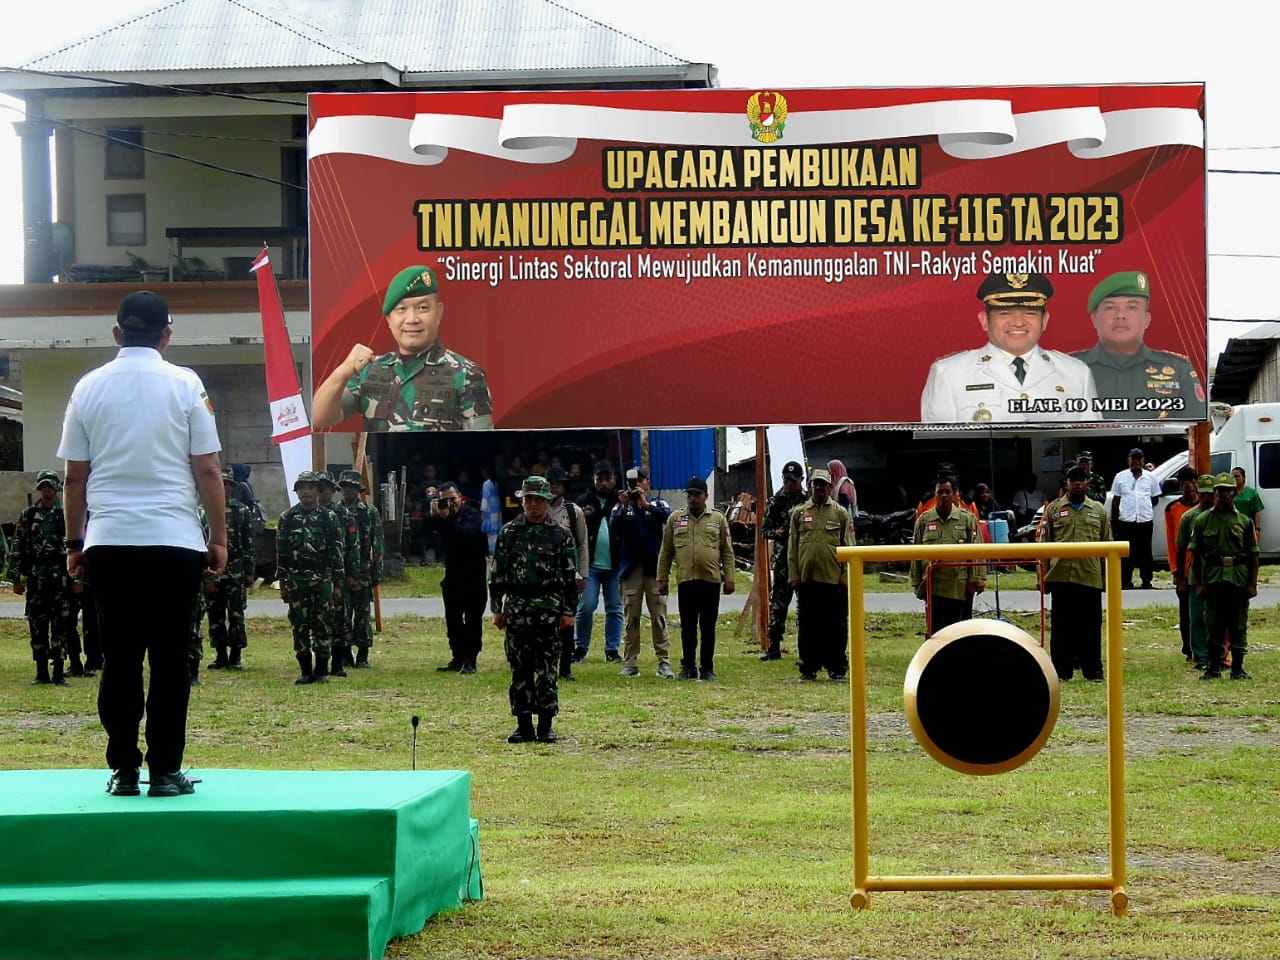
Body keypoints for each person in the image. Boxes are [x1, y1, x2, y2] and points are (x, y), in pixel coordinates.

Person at [57, 290, 227, 798]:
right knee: (172, 660)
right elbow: (208, 468)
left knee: (120, 659)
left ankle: (124, 771)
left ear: (117, 333)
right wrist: (218, 538)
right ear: (166, 335)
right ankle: (166, 772)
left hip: (110, 542)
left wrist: (74, 542)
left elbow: (74, 478)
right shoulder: (186, 384)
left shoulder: (87, 387)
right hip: (174, 541)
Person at [312, 264, 493, 432]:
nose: (412, 319)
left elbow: (483, 445)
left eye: (423, 308)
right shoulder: (369, 371)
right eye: (401, 309)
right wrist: (344, 371)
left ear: (438, 313)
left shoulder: (466, 374)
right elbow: (320, 418)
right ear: (389, 320)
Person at [920, 271, 1100, 423]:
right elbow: (938, 445)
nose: (1018, 322)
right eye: (1004, 313)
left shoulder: (1076, 373)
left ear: (1044, 321)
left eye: (1030, 313)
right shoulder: (949, 373)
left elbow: (1089, 441)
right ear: (984, 321)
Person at [490, 476, 578, 744]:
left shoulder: (560, 534)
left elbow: (570, 577)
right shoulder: (509, 533)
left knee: (547, 671)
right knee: (520, 670)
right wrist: (497, 609)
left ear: (547, 502)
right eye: (528, 499)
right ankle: (523, 724)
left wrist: (568, 612)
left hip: (549, 611)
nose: (533, 505)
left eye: (538, 500)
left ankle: (546, 725)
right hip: (518, 610)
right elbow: (497, 573)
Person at [1072, 271, 1206, 420]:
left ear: (1147, 319)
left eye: (1132, 307)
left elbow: (1197, 427)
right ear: (1094, 319)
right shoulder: (1069, 369)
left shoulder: (1179, 369)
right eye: (1110, 307)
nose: (1120, 315)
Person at [657, 475, 735, 681]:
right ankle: (688, 666)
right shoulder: (675, 519)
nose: (693, 498)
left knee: (708, 627)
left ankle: (707, 667)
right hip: (686, 580)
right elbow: (666, 552)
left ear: (706, 496)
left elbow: (727, 551)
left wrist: (730, 578)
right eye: (690, 495)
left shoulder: (718, 519)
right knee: (688, 627)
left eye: (697, 494)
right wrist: (662, 578)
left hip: (710, 581)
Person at [1040, 464, 1112, 682]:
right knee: (1061, 627)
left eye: (1082, 479)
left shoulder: (1098, 510)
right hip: (1061, 576)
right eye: (1073, 480)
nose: (1078, 484)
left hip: (1089, 576)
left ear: (1087, 483)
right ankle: (1062, 671)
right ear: (1067, 483)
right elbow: (1044, 545)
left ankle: (1093, 670)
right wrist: (1042, 577)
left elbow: (1107, 546)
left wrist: (1107, 579)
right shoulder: (1053, 509)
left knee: (1091, 626)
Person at [1188, 474, 1259, 680]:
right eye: (1219, 491)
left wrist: (1252, 584)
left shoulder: (1244, 522)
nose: (1223, 494)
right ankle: (1213, 668)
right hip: (1213, 579)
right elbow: (1196, 555)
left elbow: (1253, 555)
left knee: (1238, 624)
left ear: (1234, 493)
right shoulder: (1202, 521)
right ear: (1214, 493)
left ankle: (1237, 668)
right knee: (1213, 624)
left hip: (1238, 579)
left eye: (1227, 490)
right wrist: (1199, 583)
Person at [277, 471, 344, 686]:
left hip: (322, 580)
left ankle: (322, 670)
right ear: (296, 492)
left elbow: (336, 551)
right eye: (302, 488)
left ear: (318, 491)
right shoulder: (287, 518)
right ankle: (305, 671)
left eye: (311, 487)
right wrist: (283, 583)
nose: (306, 492)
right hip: (296, 581)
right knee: (299, 626)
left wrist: (337, 584)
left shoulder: (328, 517)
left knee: (323, 624)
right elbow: (282, 552)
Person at [788, 467, 854, 681]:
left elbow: (849, 546)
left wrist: (845, 577)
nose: (819, 488)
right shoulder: (799, 513)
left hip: (833, 580)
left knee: (836, 625)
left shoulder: (840, 513)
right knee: (808, 626)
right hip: (807, 580)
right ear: (810, 486)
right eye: (816, 484)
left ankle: (836, 667)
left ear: (829, 487)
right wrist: (794, 575)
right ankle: (808, 667)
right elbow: (792, 548)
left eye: (823, 485)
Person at [8, 470, 73, 686]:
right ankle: (41, 671)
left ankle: (58, 672)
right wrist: (16, 579)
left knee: (60, 626)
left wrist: (77, 580)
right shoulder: (28, 515)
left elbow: (75, 547)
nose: (47, 491)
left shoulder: (65, 515)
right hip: (36, 580)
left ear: (56, 489)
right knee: (37, 626)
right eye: (43, 487)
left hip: (60, 580)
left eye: (50, 487)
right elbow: (17, 546)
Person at [611, 466, 674, 678]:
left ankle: (664, 662)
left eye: (640, 480)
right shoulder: (621, 507)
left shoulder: (658, 503)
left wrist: (645, 505)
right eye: (633, 482)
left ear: (647, 482)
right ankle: (630, 662)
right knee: (631, 617)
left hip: (653, 569)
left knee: (659, 616)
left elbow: (668, 519)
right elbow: (614, 529)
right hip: (631, 570)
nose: (637, 485)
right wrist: (624, 506)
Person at [910, 476, 986, 635]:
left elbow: (978, 551)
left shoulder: (967, 519)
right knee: (936, 636)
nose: (944, 495)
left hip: (960, 588)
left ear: (954, 494)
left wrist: (977, 580)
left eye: (947, 492)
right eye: (940, 492)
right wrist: (917, 584)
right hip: (934, 588)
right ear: (935, 495)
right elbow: (915, 554)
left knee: (961, 636)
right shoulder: (924, 520)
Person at [432, 481, 490, 674]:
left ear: (460, 497)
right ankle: (457, 657)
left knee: (473, 621)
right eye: (444, 500)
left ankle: (470, 660)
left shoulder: (472, 515)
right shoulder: (443, 518)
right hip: (452, 577)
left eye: (452, 499)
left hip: (473, 577)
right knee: (453, 621)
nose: (449, 504)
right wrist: (435, 517)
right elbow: (432, 537)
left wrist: (447, 519)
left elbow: (467, 536)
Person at [573, 461, 625, 663]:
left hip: (615, 565)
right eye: (599, 479)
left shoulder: (621, 500)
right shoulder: (582, 501)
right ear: (593, 479)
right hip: (590, 566)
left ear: (614, 479)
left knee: (615, 608)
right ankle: (580, 647)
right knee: (586, 606)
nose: (603, 483)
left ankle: (612, 649)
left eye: (607, 478)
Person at [206, 467, 256, 671]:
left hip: (236, 569)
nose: (224, 489)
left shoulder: (241, 511)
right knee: (215, 613)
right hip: (213, 570)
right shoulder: (205, 510)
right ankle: (220, 655)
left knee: (236, 613)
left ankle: (236, 655)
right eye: (220, 484)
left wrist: (249, 572)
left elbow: (249, 543)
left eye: (227, 485)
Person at [761, 460, 807, 661]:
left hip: (803, 559)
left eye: (793, 481)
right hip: (782, 562)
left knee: (805, 606)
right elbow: (764, 530)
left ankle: (805, 650)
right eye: (786, 480)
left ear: (801, 480)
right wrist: (777, 532)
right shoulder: (776, 501)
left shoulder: (808, 501)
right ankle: (773, 647)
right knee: (778, 605)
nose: (789, 484)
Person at [339, 470, 384, 668]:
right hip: (341, 571)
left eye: (353, 487)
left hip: (364, 571)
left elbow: (378, 543)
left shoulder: (369, 511)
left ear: (358, 490)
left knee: (363, 615)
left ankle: (363, 654)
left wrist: (377, 573)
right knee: (342, 614)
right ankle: (345, 652)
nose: (349, 491)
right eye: (345, 487)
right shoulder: (334, 511)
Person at [546, 468, 588, 681]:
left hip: (567, 575)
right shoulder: (537, 508)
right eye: (551, 484)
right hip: (543, 576)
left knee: (567, 622)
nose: (554, 488)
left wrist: (583, 573)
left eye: (558, 484)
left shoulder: (574, 511)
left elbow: (582, 544)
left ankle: (565, 668)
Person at [316, 472, 357, 677]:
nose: (323, 493)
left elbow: (352, 547)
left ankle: (338, 663)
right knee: (318, 620)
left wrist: (351, 574)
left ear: (333, 491)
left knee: (340, 619)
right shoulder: (308, 513)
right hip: (316, 576)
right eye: (319, 488)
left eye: (326, 489)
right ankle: (321, 661)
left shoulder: (343, 514)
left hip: (339, 575)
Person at [1175, 474, 1216, 670]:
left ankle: (1218, 654)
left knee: (1218, 617)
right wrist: (1180, 577)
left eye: (1210, 494)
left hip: (1219, 573)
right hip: (1196, 574)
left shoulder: (1223, 515)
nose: (1207, 498)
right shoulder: (1189, 517)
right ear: (1198, 493)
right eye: (1204, 494)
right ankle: (1200, 656)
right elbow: (1181, 549)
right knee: (1197, 617)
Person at [1163, 467, 1200, 663]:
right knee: (1185, 611)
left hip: (1201, 567)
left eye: (1192, 481)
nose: (1189, 486)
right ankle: (1188, 648)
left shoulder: (1205, 505)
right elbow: (1171, 542)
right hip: (1182, 569)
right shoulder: (1172, 508)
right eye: (1185, 482)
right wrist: (1176, 572)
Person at [1110, 447, 1160, 589]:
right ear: (1129, 460)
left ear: (1143, 460)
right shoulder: (1120, 476)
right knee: (1127, 553)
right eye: (1133, 459)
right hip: (1126, 521)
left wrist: (1143, 507)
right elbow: (1116, 501)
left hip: (1145, 521)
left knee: (1146, 553)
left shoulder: (1151, 477)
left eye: (1138, 459)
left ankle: (1146, 581)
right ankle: (1126, 582)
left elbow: (1155, 498)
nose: (1136, 462)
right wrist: (1115, 523)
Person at [1231, 467, 1264, 542]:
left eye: (1236, 476)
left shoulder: (1252, 493)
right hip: (1232, 529)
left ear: (1243, 478)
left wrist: (1257, 530)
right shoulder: (1228, 493)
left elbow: (1256, 512)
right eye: (1232, 477)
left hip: (1247, 529)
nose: (1234, 478)